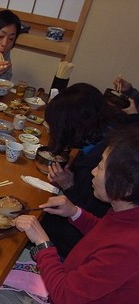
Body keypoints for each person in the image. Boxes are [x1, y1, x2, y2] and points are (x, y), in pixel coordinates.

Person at [0, 125, 139, 304]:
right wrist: (75, 212)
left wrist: (43, 244)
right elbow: (105, 237)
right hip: (75, 293)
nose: (93, 172)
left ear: (125, 186)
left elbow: (64, 294)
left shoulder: (131, 247)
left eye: (101, 167)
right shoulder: (128, 211)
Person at [41, 83, 126, 257]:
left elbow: (94, 212)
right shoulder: (107, 129)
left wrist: (69, 186)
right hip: (81, 211)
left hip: (79, 241)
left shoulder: (107, 159)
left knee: (39, 219)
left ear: (74, 126)